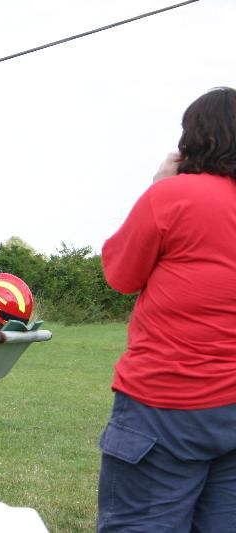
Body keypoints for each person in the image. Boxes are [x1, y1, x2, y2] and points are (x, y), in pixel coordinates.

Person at [96, 87, 236, 532]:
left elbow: (121, 275)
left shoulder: (171, 197)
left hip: (162, 402)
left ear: (192, 138)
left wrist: (160, 186)